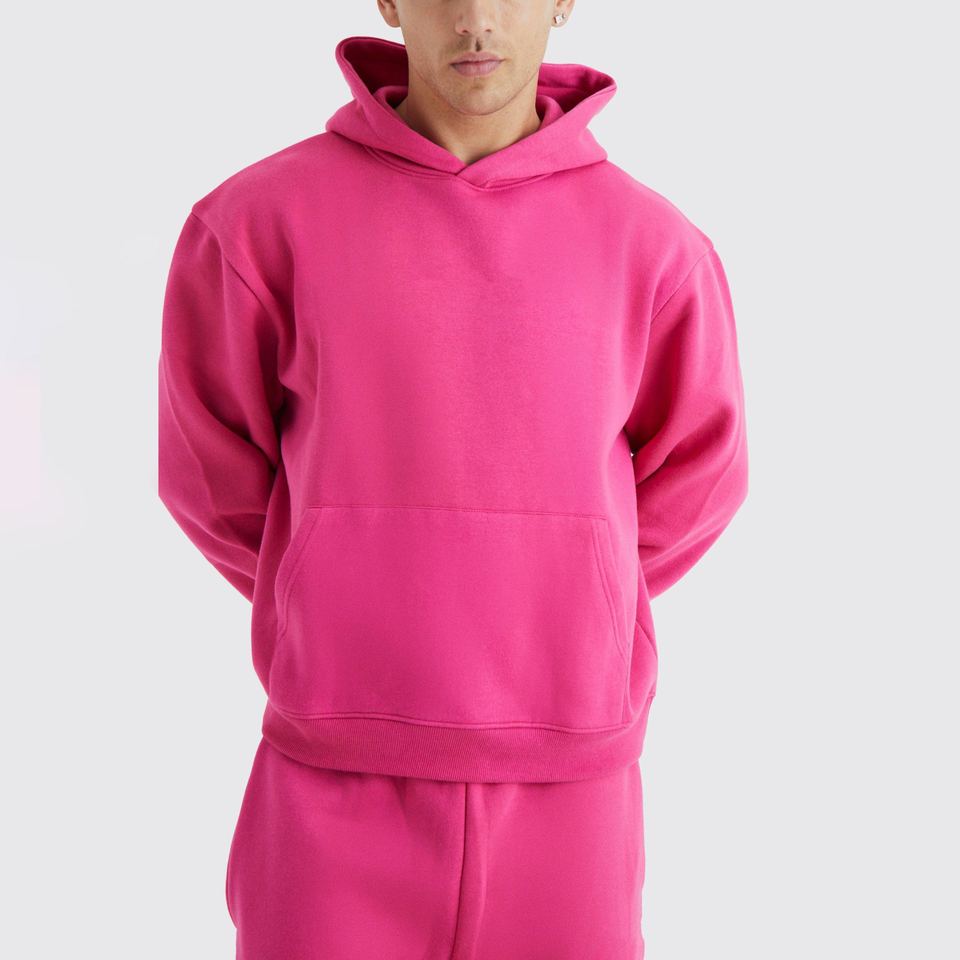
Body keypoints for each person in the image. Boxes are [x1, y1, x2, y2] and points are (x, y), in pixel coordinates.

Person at [157, 3, 749, 957]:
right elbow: (208, 467)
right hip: (328, 784)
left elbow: (700, 473)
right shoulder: (257, 224)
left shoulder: (656, 248)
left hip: (572, 792)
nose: (475, 18)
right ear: (390, 0)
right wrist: (328, 578)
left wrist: (575, 590)